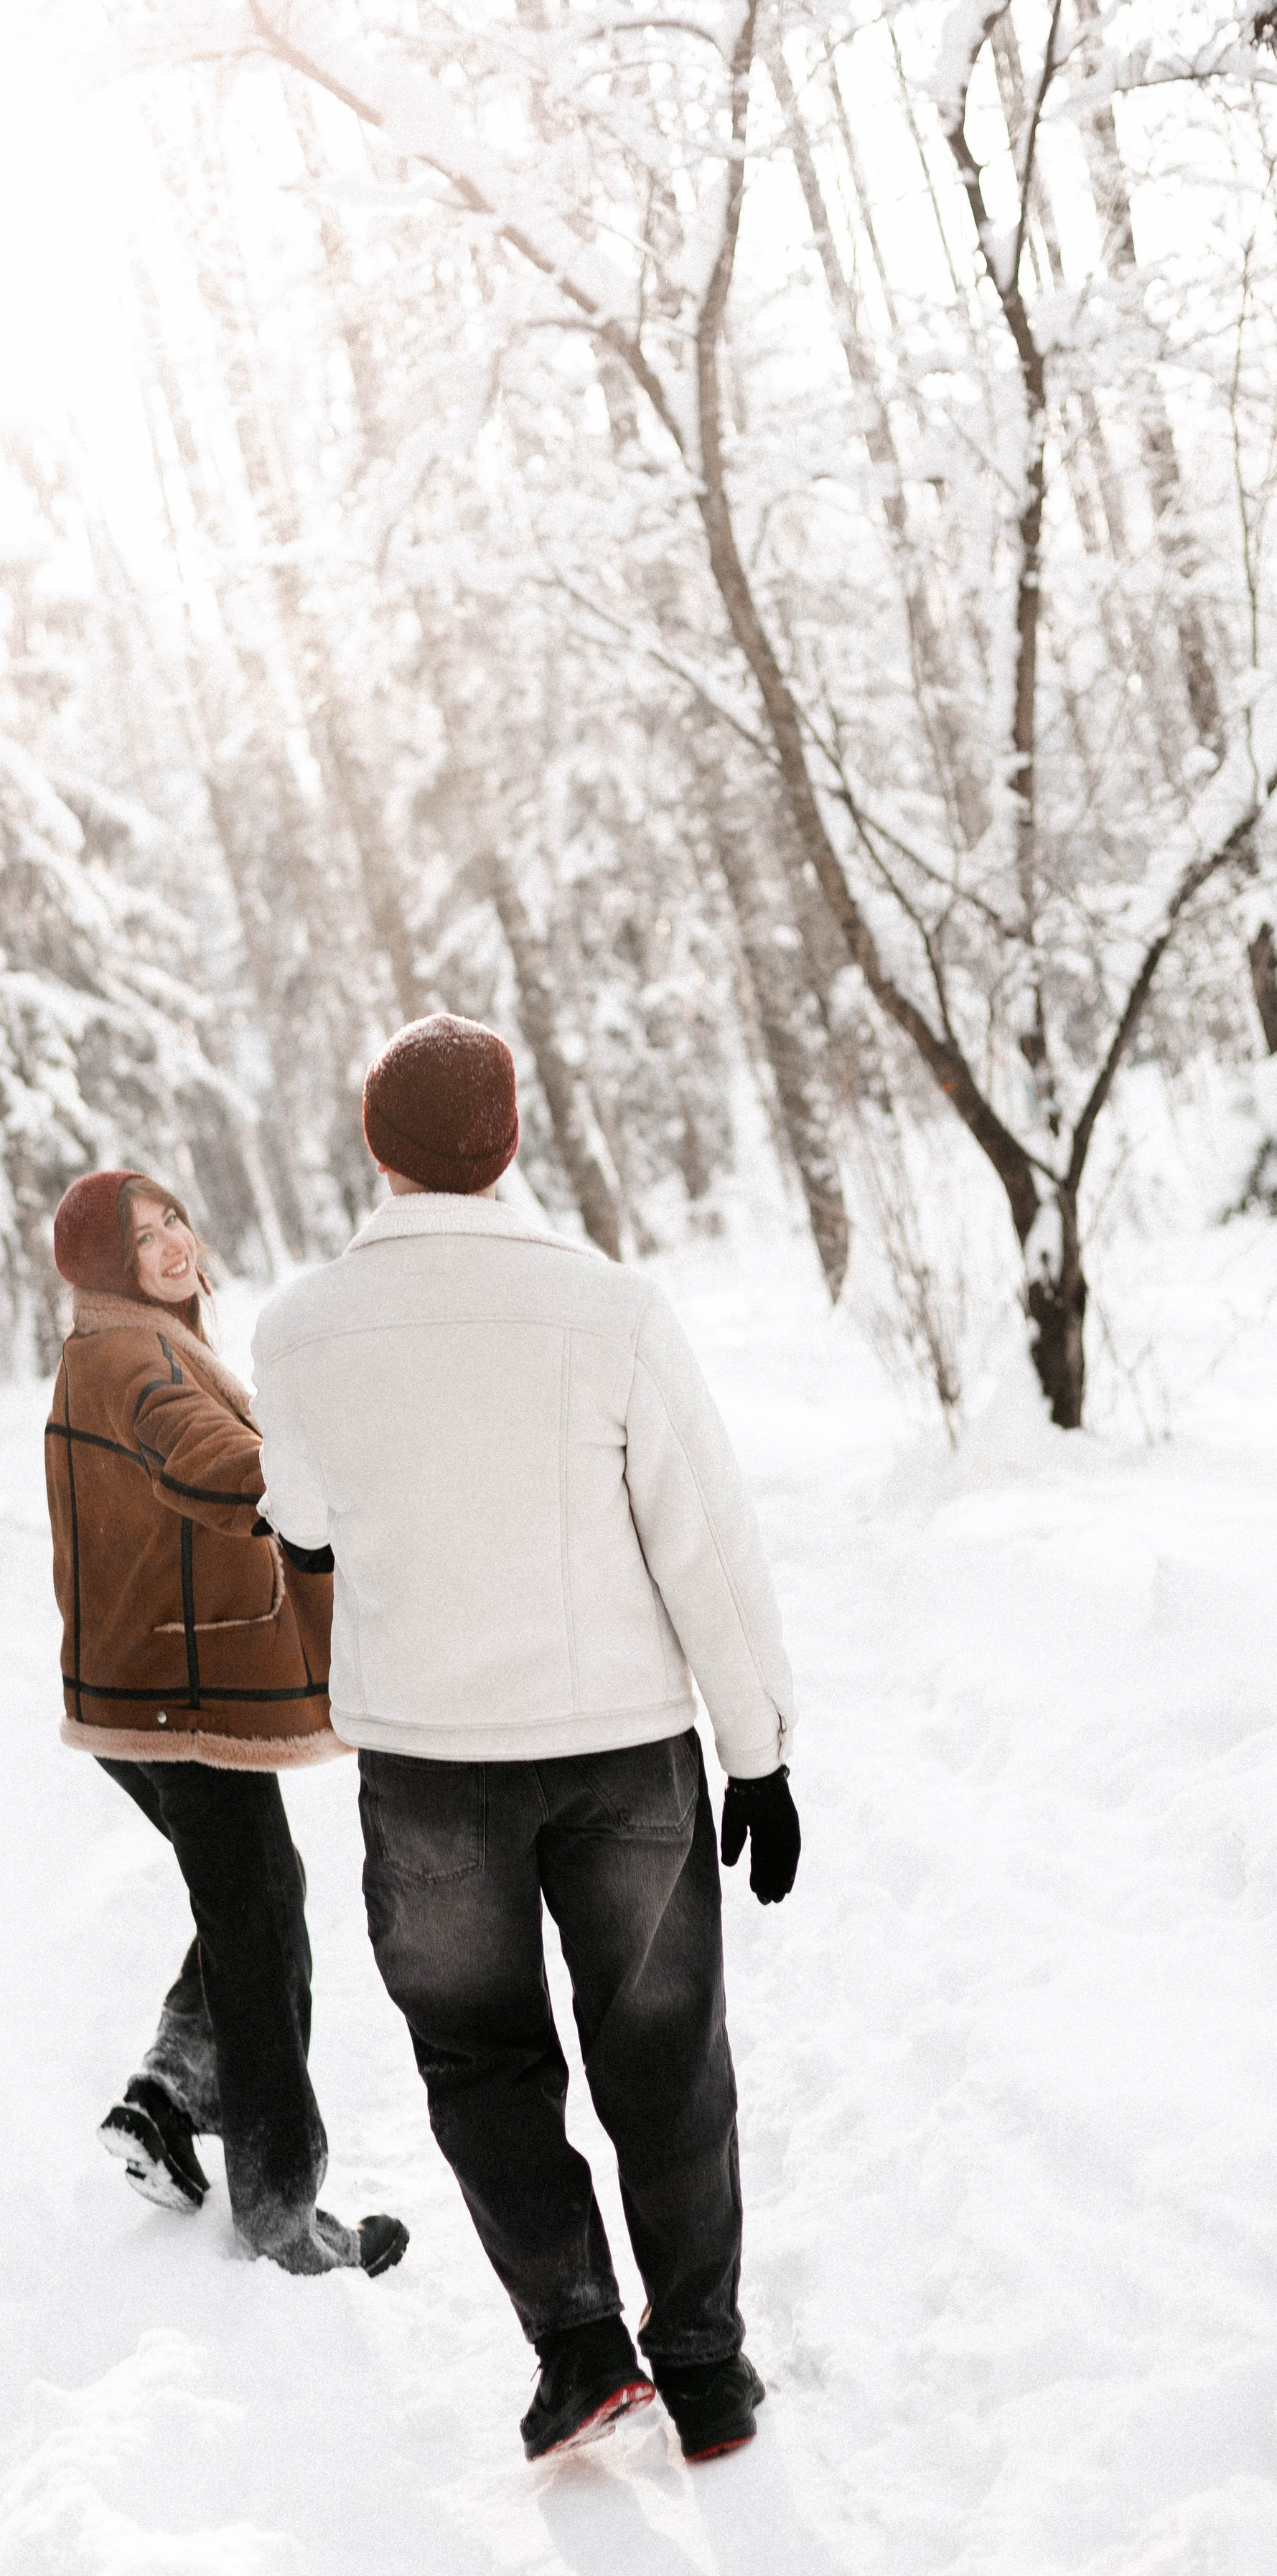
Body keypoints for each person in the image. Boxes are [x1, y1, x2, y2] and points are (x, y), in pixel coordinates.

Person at [251, 1016, 800, 2460]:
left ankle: (578, 2352)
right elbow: (707, 1545)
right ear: (509, 1143)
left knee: (481, 2064)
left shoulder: (298, 1329)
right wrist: (758, 1753)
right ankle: (706, 2373)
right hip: (625, 1754)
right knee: (666, 2060)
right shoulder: (607, 1308)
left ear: (375, 1147)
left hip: (428, 1770)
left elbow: (299, 1528)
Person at [44, 1166, 408, 2280]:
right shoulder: (128, 1357)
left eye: (174, 1223)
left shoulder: (127, 1347)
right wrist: (318, 1477)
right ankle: (282, 2211)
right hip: (168, 1697)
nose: (171, 1246)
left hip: (139, 1689)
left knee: (256, 1894)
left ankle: (166, 2099)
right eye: (143, 1237)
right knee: (257, 1927)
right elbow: (199, 1459)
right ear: (108, 1269)